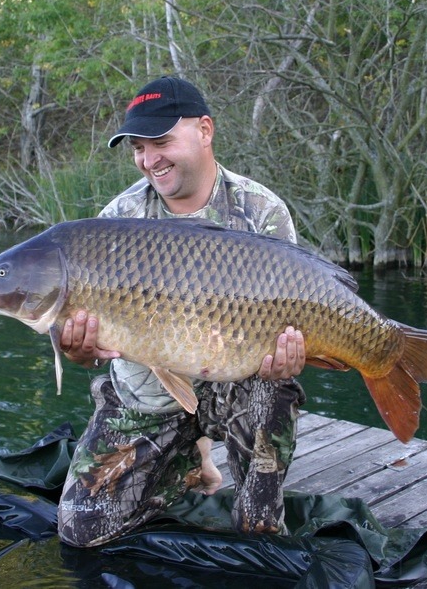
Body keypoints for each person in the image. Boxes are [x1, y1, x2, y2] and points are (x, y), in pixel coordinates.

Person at [56, 75, 308, 547]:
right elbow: (94, 351)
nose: (149, 159)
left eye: (162, 141)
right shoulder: (118, 220)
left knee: (277, 389)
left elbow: (290, 319)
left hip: (237, 386)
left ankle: (259, 511)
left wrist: (292, 353)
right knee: (80, 532)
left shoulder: (261, 212)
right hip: (149, 397)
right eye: (138, 147)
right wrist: (78, 352)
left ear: (205, 131)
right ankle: (188, 461)